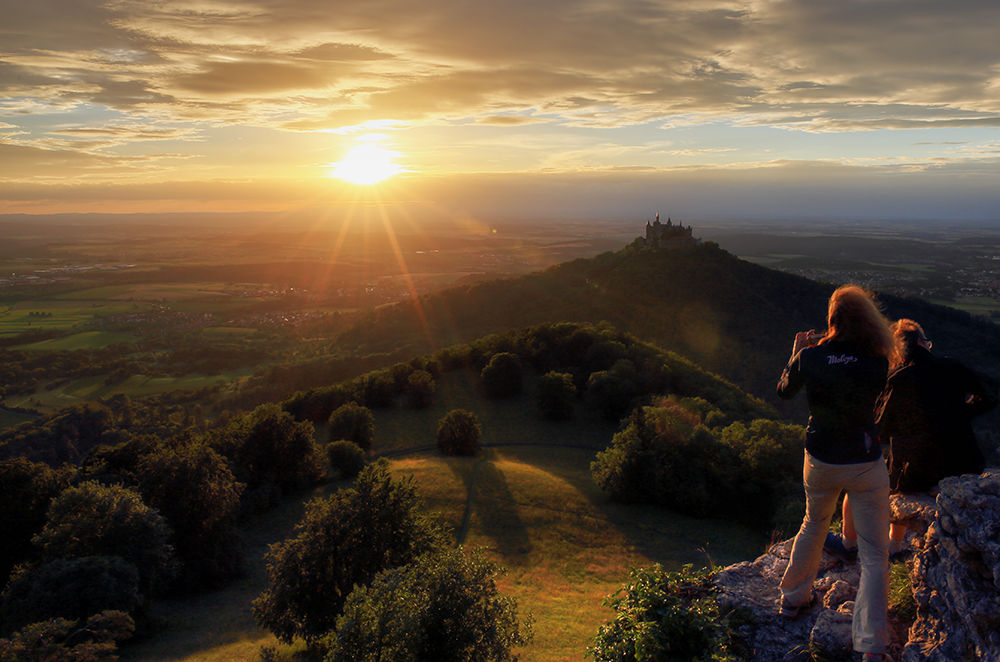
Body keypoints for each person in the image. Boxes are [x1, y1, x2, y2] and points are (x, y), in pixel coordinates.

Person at [776, 285, 895, 662]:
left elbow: (784, 392)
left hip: (821, 459)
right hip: (863, 461)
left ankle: (792, 600)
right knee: (875, 554)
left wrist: (797, 354)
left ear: (831, 319)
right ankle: (871, 646)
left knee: (813, 524)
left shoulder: (811, 357)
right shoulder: (877, 360)